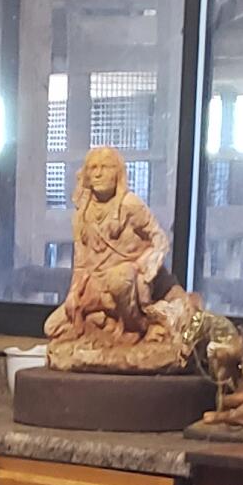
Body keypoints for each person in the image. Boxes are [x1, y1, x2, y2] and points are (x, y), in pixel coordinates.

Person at [44, 145, 194, 371]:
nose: (98, 173)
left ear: (118, 172)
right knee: (53, 327)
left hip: (129, 282)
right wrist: (74, 294)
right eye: (93, 168)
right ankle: (104, 324)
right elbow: (81, 263)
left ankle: (136, 327)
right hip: (97, 285)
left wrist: (145, 266)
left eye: (105, 167)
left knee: (120, 277)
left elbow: (159, 239)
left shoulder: (130, 204)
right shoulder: (82, 215)